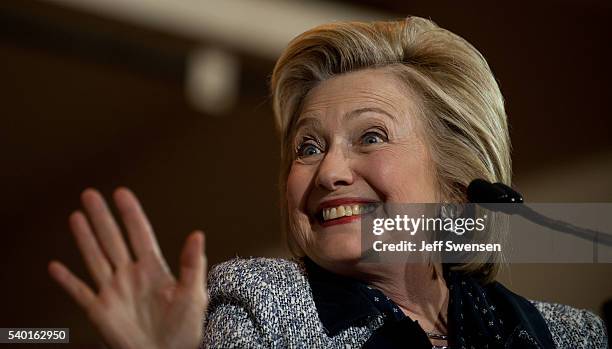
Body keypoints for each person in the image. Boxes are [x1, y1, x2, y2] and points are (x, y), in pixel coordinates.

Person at [49, 16, 608, 348]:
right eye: (308, 148)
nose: (330, 172)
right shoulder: (261, 305)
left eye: (370, 137)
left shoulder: (570, 334)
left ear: (458, 182)